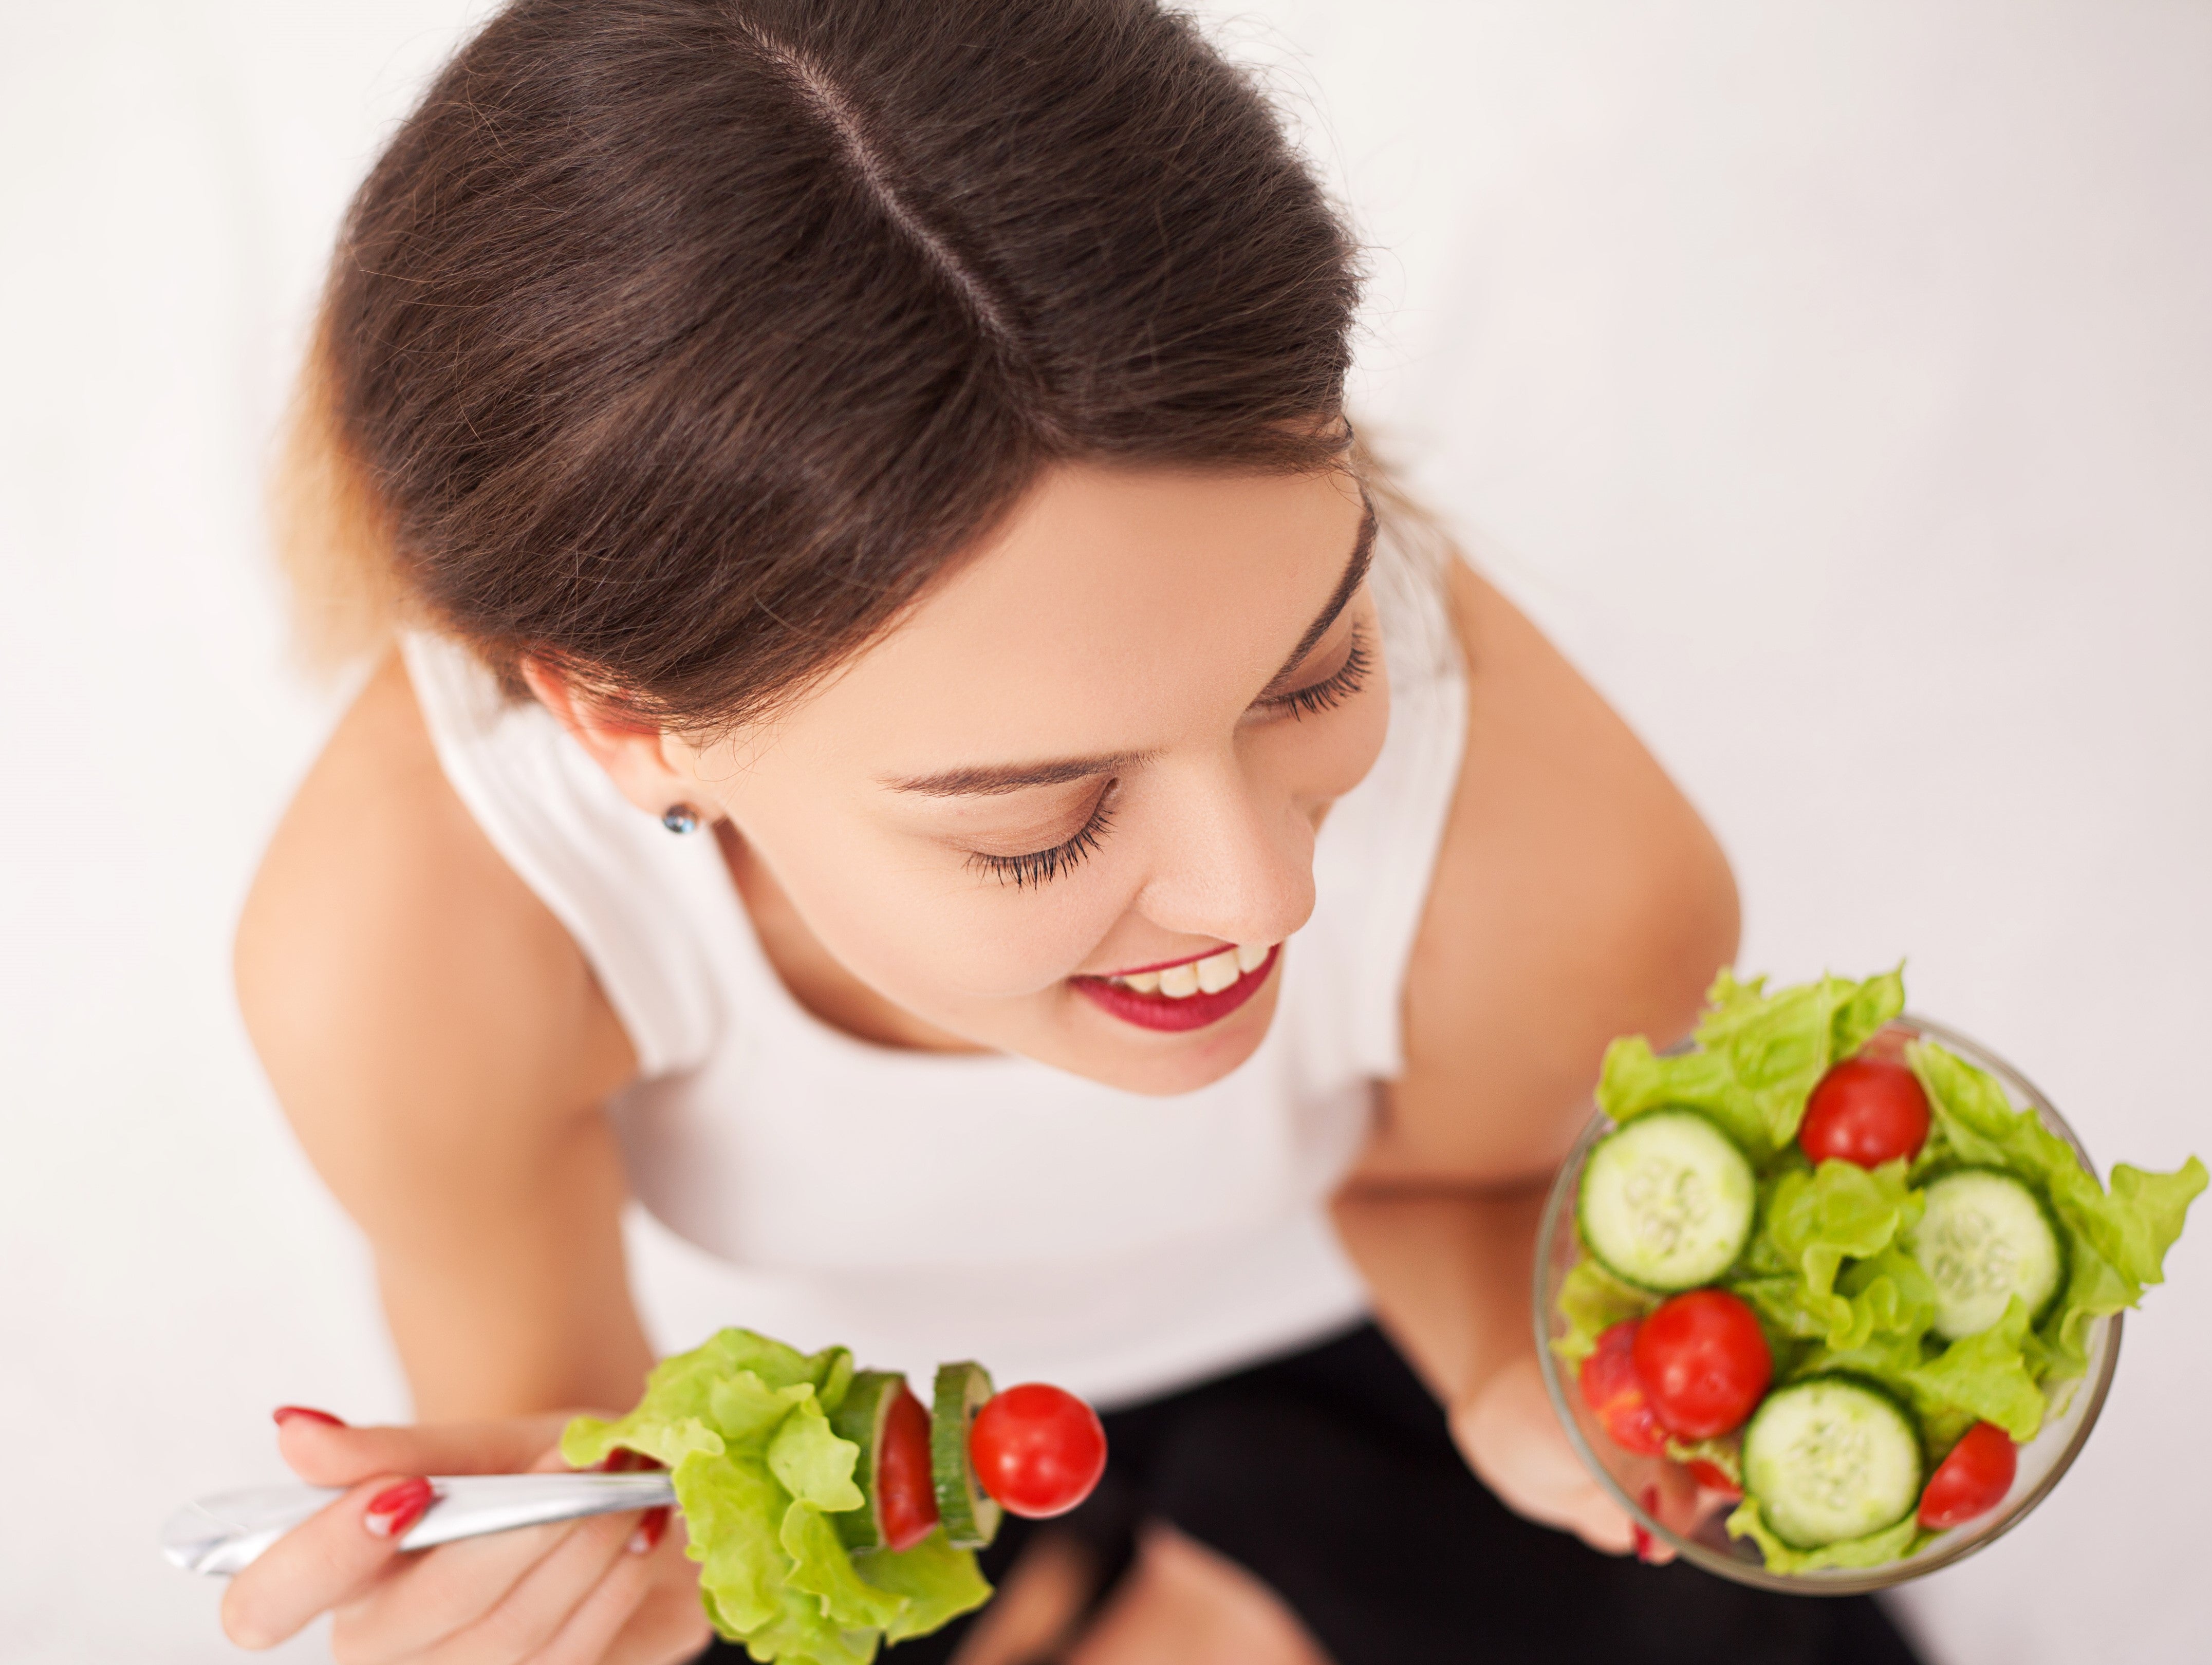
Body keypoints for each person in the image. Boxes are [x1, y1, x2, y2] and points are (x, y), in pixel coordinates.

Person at [224, 2, 1918, 1661]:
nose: (1263, 891)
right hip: (880, 1454)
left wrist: (1510, 1373)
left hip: (1352, 1356)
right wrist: (566, 1599)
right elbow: (578, 1430)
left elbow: (1446, 1172)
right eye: (1041, 818)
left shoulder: (1574, 879)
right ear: (629, 723)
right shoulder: (408, 946)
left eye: (1317, 668)